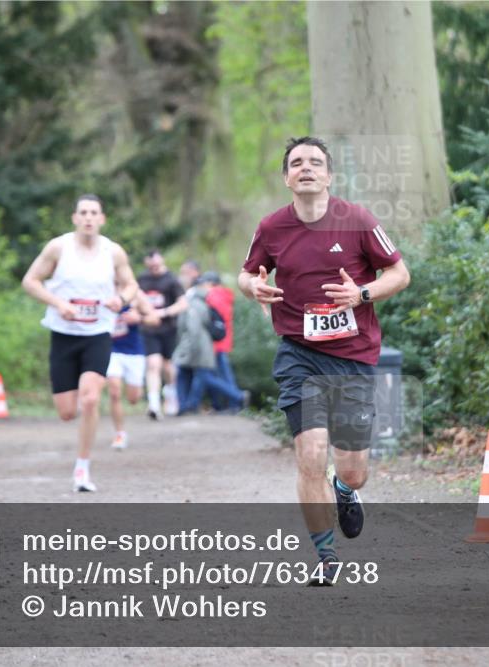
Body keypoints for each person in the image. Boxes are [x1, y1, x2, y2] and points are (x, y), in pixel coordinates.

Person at [238, 136, 410, 585]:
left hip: (352, 357)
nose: (306, 168)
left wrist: (362, 293)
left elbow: (400, 272)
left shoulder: (356, 220)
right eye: (297, 163)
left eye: (316, 162)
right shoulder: (272, 227)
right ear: (286, 177)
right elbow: (246, 272)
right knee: (309, 454)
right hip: (299, 353)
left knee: (354, 471)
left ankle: (343, 489)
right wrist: (251, 288)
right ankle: (326, 559)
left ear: (329, 176)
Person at [22, 194, 139, 492]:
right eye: (83, 212)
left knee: (90, 399)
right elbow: (30, 281)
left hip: (97, 335)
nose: (88, 217)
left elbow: (131, 284)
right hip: (63, 335)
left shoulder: (113, 252)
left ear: (102, 219)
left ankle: (82, 469)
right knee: (66, 412)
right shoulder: (58, 248)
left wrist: (121, 299)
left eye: (94, 213)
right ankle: (80, 462)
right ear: (75, 217)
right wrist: (58, 302)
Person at [172, 278, 246, 415]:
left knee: (202, 376)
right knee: (202, 376)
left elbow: (192, 329)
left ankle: (236, 397)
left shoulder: (194, 304)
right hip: (211, 345)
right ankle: (191, 405)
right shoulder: (210, 301)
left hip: (199, 347)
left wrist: (184, 348)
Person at [105, 290, 160, 450]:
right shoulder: (101, 289)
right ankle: (120, 433)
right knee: (114, 391)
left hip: (134, 352)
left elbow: (155, 319)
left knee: (133, 398)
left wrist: (139, 318)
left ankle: (140, 395)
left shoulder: (135, 295)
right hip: (110, 350)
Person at [138, 251, 187, 419]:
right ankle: (154, 404)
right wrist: (142, 315)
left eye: (156, 265)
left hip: (168, 329)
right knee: (153, 364)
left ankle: (171, 393)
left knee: (167, 366)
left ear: (162, 261)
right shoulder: (142, 279)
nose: (154, 268)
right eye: (151, 266)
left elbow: (182, 303)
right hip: (149, 329)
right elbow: (135, 299)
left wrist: (163, 313)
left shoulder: (172, 280)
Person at [200, 270, 245, 412]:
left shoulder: (213, 297)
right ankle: (231, 404)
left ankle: (237, 399)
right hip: (225, 341)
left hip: (216, 343)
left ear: (211, 283)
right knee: (225, 375)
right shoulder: (226, 295)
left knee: (217, 375)